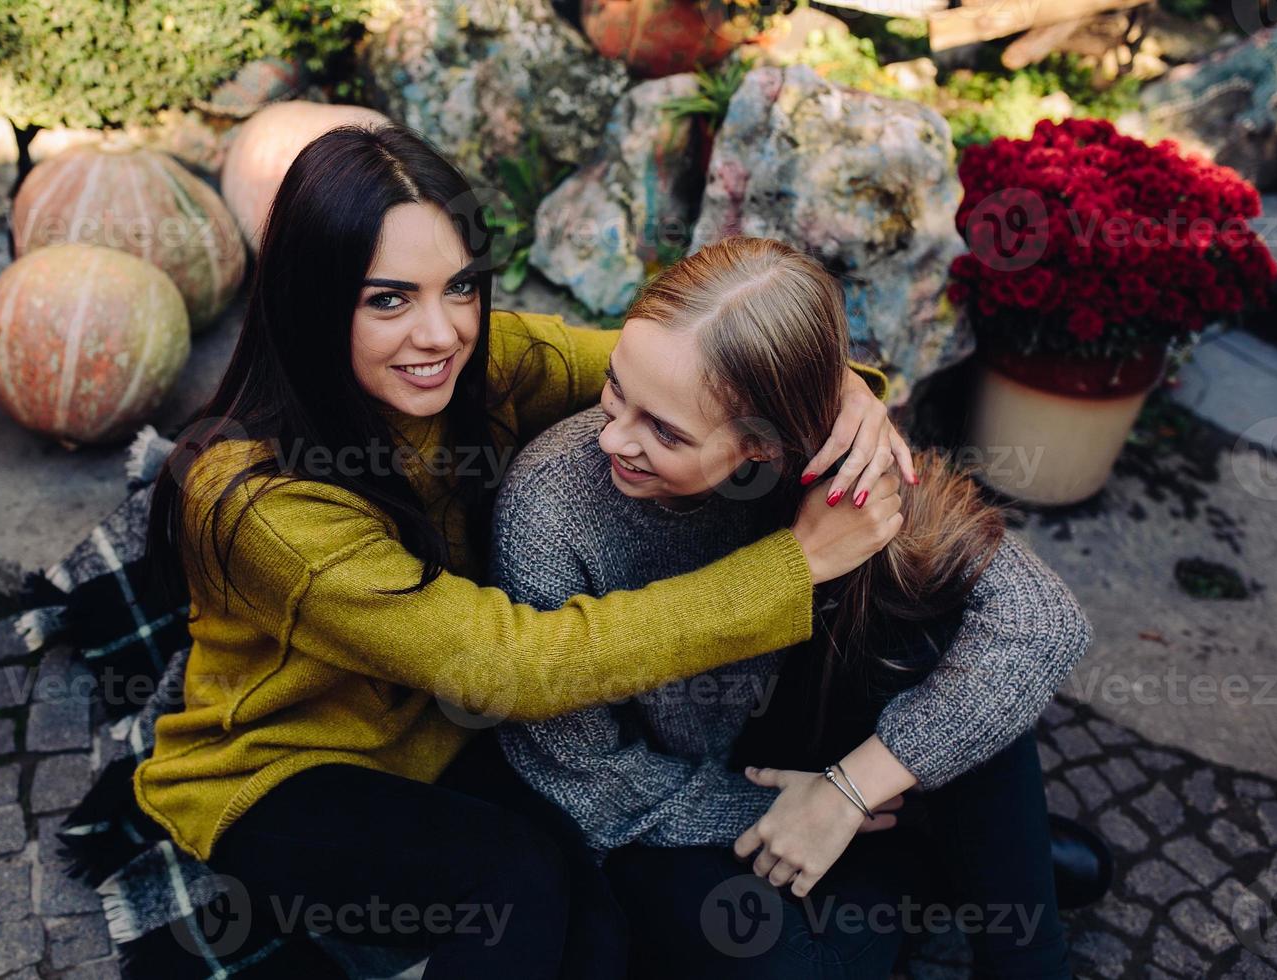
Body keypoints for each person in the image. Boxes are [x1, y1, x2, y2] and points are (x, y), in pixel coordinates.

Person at [130, 125, 912, 979]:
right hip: (291, 765)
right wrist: (791, 568)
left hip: (447, 730)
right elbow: (511, 666)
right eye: (387, 299)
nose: (440, 333)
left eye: (459, 286)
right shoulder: (262, 505)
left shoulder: (482, 362)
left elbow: (695, 359)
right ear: (313, 300)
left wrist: (843, 389)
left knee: (599, 938)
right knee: (512, 886)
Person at [492, 237, 1093, 978]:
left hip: (808, 728)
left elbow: (1042, 621)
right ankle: (945, 863)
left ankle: (1021, 949)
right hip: (665, 798)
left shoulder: (832, 457)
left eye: (666, 431)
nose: (615, 435)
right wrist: (792, 817)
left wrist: (848, 793)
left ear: (764, 447)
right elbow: (586, 776)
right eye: (617, 388)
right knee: (797, 964)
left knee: (956, 633)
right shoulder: (549, 509)